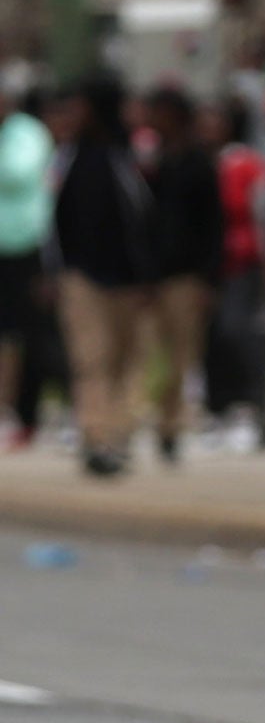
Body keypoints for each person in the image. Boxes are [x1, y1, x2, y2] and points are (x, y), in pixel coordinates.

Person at [53, 72, 155, 478]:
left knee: (127, 361)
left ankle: (119, 434)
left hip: (128, 282)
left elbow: (144, 219)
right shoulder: (71, 158)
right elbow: (60, 221)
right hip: (83, 278)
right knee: (91, 360)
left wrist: (147, 274)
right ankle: (96, 438)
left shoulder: (128, 157)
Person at [141, 85, 225, 464]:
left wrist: (210, 277)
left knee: (180, 356)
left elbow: (212, 224)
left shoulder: (197, 163)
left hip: (188, 275)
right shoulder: (153, 161)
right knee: (149, 352)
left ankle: (171, 425)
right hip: (153, 276)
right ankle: (149, 418)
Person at [204, 98, 265, 444]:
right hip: (211, 266)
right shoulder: (202, 162)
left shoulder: (247, 164)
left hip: (246, 263)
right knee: (214, 338)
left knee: (242, 333)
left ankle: (254, 407)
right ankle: (218, 407)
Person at [0, 73, 53, 450]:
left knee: (30, 334)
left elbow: (18, 174)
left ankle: (28, 413)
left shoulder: (27, 133)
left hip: (25, 245)